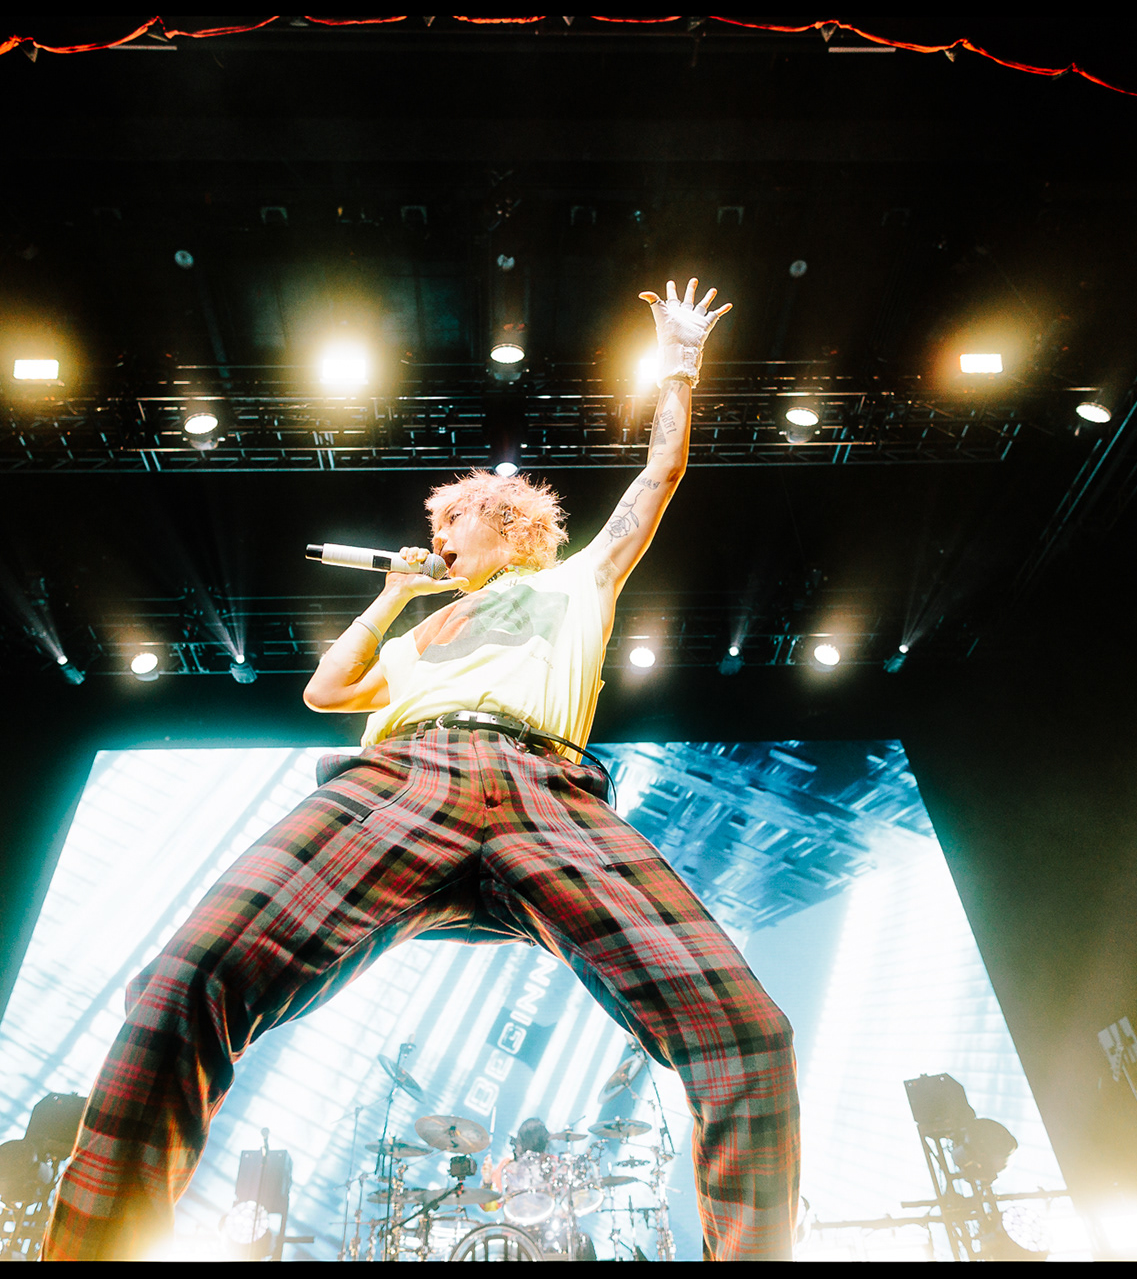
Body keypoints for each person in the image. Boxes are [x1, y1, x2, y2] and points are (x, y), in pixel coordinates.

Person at [42, 280, 799, 1261]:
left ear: (506, 524)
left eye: (452, 527)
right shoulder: (416, 635)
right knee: (183, 982)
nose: (437, 541)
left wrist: (679, 368)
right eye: (434, 533)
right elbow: (326, 691)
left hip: (543, 785)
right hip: (403, 775)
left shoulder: (577, 582)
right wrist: (396, 594)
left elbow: (658, 476)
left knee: (747, 1033)